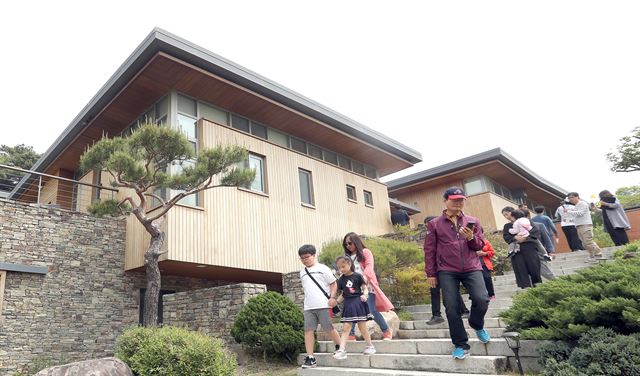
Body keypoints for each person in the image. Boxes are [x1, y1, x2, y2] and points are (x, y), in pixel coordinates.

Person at [424, 187, 490, 360]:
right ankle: (461, 344)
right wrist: (431, 273)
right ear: (445, 201)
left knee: (482, 299)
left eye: (461, 200)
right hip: (447, 270)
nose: (458, 203)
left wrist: (470, 237)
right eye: (454, 200)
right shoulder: (435, 224)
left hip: (471, 266)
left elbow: (479, 245)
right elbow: (429, 250)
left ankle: (476, 323)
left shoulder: (472, 220)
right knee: (452, 307)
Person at [343, 232, 394, 341]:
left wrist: (364, 278)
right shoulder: (347, 258)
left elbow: (369, 266)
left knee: (371, 310)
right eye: (346, 244)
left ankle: (386, 330)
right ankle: (351, 335)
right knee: (352, 310)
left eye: (350, 243)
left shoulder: (365, 252)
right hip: (352, 287)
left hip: (367, 285)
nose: (348, 246)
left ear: (356, 241)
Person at [298, 244, 342, 369]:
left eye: (307, 257)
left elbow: (333, 283)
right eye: (302, 258)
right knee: (308, 330)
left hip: (323, 304)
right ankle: (310, 357)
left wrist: (333, 298)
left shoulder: (323, 268)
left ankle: (339, 346)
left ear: (313, 255)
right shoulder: (302, 272)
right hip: (308, 307)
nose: (305, 260)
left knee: (328, 327)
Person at [424, 215, 469, 325]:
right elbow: (429, 253)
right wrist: (430, 272)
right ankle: (436, 315)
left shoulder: (445, 236)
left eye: (428, 226)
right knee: (434, 291)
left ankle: (464, 310)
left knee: (451, 291)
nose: (428, 228)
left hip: (445, 268)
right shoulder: (430, 236)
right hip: (434, 270)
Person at [332, 256, 376, 359]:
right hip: (348, 304)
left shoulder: (358, 276)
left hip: (358, 303)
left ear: (350, 264)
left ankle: (370, 346)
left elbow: (365, 288)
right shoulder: (341, 280)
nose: (341, 269)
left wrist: (365, 295)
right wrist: (336, 302)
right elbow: (343, 294)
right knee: (346, 327)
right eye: (339, 267)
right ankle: (341, 350)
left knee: (362, 327)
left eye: (343, 266)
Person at [502, 207, 542, 289]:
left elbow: (535, 231)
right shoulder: (507, 226)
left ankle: (537, 285)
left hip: (529, 247)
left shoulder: (526, 221)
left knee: (534, 267)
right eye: (504, 215)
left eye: (507, 214)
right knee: (520, 268)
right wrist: (515, 238)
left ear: (512, 212)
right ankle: (525, 287)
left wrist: (525, 238)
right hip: (517, 250)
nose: (506, 217)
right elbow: (506, 237)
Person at [565, 192, 604, 261]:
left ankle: (598, 253)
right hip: (579, 225)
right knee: (584, 243)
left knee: (588, 241)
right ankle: (592, 255)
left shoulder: (582, 203)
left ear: (577, 197)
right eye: (569, 198)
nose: (570, 199)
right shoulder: (576, 205)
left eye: (572, 197)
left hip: (585, 225)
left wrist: (569, 211)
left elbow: (580, 213)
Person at [522, 209, 556, 280]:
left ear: (528, 216)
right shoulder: (518, 228)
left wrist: (551, 251)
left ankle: (558, 285)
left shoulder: (539, 225)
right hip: (526, 254)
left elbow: (547, 239)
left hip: (540, 253)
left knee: (546, 272)